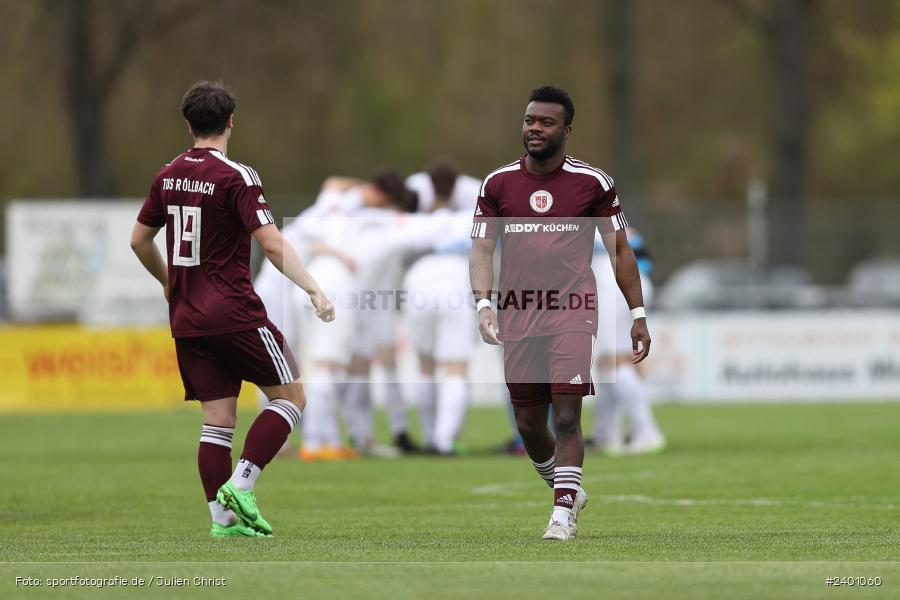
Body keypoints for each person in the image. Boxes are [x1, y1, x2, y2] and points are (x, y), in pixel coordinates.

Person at [130, 81, 334, 538]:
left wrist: (168, 282)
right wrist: (314, 288)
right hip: (234, 312)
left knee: (218, 419)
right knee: (292, 397)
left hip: (187, 318)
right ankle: (241, 486)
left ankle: (222, 522)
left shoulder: (167, 175)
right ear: (230, 122)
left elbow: (138, 240)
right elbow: (271, 242)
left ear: (188, 124)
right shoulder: (237, 176)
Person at [469, 85, 650, 541]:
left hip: (572, 309)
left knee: (566, 416)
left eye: (545, 122)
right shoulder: (497, 184)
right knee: (529, 423)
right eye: (529, 120)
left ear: (566, 131)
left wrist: (638, 313)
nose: (534, 128)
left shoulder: (593, 183)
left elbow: (620, 251)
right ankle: (564, 486)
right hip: (518, 312)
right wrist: (485, 303)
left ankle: (562, 514)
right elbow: (482, 248)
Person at [590, 227, 665, 454]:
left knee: (613, 361)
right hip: (626, 284)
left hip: (612, 286)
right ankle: (606, 434)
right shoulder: (613, 221)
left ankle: (645, 431)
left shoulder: (584, 221)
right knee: (611, 364)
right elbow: (645, 261)